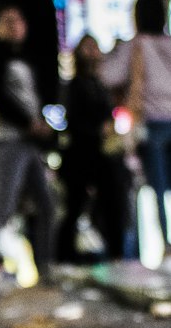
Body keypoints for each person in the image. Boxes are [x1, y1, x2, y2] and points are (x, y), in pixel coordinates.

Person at [101, 0, 171, 265]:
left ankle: (167, 246)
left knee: (158, 188)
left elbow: (108, 75)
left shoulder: (135, 46)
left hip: (153, 123)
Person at [0, 3, 57, 285]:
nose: (15, 25)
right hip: (9, 141)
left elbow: (36, 98)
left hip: (31, 143)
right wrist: (27, 123)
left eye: (19, 19)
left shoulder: (27, 60)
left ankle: (46, 267)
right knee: (4, 205)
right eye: (7, 20)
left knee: (47, 204)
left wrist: (42, 126)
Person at [57, 34, 133, 263]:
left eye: (94, 46)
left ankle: (117, 253)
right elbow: (72, 121)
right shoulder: (74, 85)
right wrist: (97, 130)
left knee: (113, 201)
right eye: (86, 47)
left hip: (103, 155)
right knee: (75, 205)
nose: (92, 51)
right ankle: (64, 256)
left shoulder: (101, 85)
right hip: (80, 155)